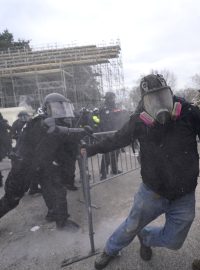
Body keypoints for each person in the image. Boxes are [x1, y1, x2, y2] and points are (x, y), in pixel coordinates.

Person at [82, 74, 200, 269]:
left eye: (162, 96)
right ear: (143, 101)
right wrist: (91, 149)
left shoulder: (188, 112)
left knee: (174, 241)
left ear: (170, 93)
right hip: (152, 191)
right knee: (130, 225)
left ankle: (145, 237)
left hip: (184, 194)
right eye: (152, 99)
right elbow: (116, 140)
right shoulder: (139, 120)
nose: (160, 104)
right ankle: (110, 250)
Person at [0, 93, 91, 231]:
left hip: (41, 164)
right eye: (57, 108)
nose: (61, 112)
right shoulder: (41, 121)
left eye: (63, 108)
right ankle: (58, 217)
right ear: (47, 108)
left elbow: (61, 140)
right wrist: (82, 131)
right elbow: (58, 131)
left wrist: (80, 139)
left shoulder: (44, 120)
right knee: (12, 199)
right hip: (24, 166)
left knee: (56, 190)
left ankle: (60, 219)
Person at [0, 113, 12, 187]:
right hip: (4, 144)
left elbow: (11, 128)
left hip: (3, 144)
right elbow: (11, 128)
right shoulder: (3, 122)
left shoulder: (2, 122)